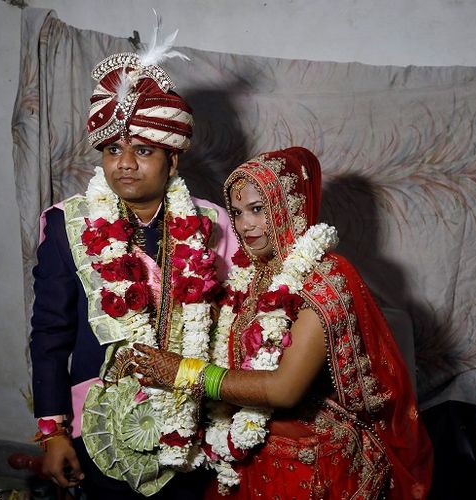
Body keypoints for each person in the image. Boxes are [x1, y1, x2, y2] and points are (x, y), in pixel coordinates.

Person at [134, 147, 434, 499]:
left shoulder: (323, 278)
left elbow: (284, 389)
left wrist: (185, 373)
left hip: (315, 463)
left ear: (289, 207)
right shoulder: (252, 275)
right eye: (239, 212)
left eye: (258, 209)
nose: (245, 225)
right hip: (250, 456)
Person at [29, 36, 237, 498]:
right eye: (112, 150)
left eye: (142, 150)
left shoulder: (211, 223)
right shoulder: (68, 225)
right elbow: (49, 333)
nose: (123, 164)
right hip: (97, 424)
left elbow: (233, 324)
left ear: (172, 158)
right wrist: (54, 431)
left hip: (192, 420)